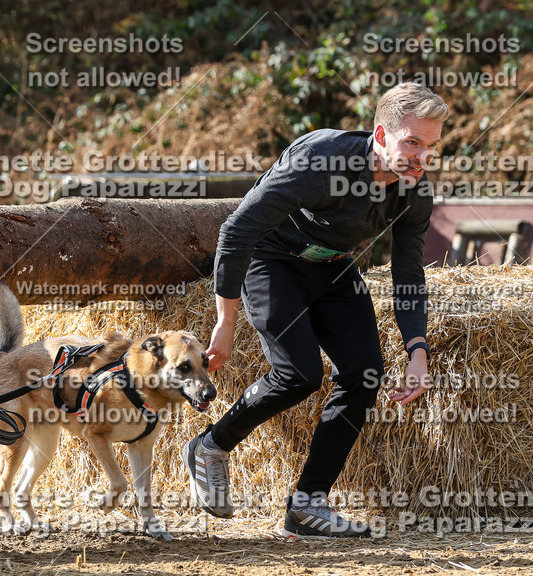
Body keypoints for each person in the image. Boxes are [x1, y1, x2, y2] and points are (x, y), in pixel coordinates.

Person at [180, 82, 448, 537]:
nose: (422, 157)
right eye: (412, 142)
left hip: (333, 268)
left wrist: (417, 350)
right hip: (272, 258)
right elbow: (237, 231)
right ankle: (210, 445)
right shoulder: (321, 161)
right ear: (381, 135)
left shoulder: (413, 191)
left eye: (432, 146)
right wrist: (225, 322)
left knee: (365, 373)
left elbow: (408, 273)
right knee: (300, 373)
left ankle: (307, 506)